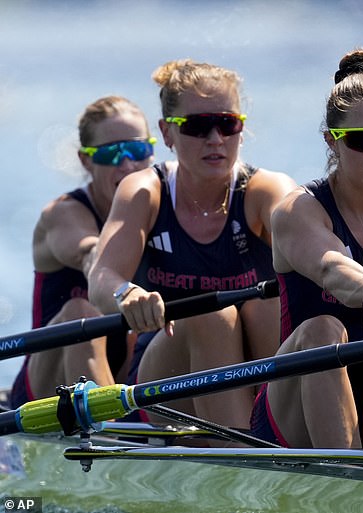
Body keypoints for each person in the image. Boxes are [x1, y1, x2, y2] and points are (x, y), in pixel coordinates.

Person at [88, 59, 296, 431]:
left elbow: (310, 243)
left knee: (267, 306)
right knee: (213, 316)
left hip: (255, 364)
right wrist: (127, 293)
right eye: (198, 127)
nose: (215, 139)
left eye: (227, 124)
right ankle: (244, 452)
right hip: (166, 376)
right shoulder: (143, 192)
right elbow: (102, 276)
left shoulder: (266, 190)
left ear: (240, 130)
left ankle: (276, 441)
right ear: (167, 133)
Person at [250, 49, 363, 449]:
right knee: (322, 330)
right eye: (360, 139)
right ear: (332, 141)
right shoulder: (299, 210)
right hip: (296, 406)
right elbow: (336, 271)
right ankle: (350, 477)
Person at [10, 96, 154, 407]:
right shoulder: (63, 215)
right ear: (85, 160)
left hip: (128, 365)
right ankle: (113, 436)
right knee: (80, 312)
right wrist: (115, 284)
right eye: (111, 154)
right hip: (49, 384)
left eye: (138, 151)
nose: (128, 165)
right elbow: (90, 255)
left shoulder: (166, 211)